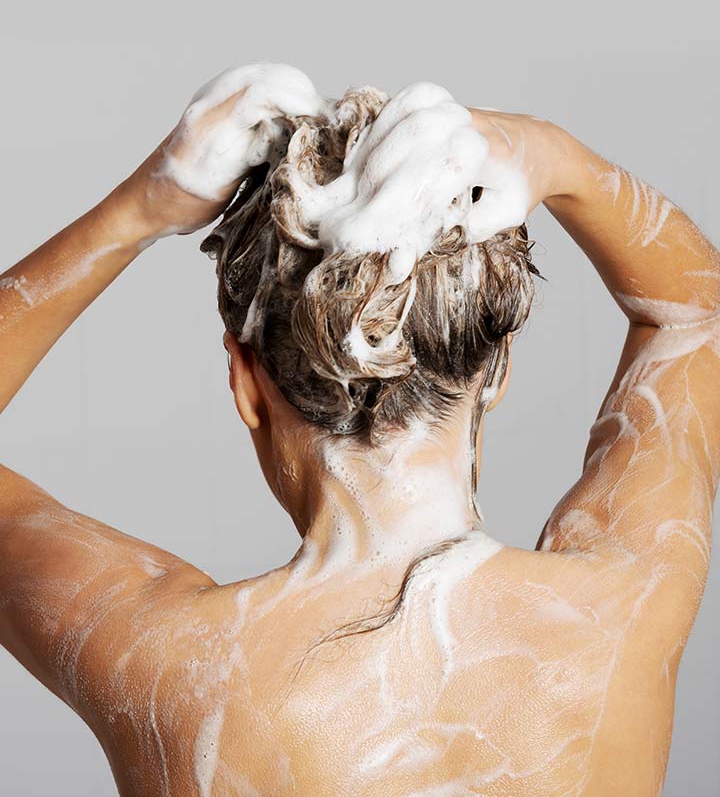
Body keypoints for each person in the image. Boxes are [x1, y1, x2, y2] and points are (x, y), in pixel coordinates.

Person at [0, 63, 717, 797]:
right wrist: (551, 155)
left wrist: (141, 209)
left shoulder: (170, 669)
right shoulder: (623, 611)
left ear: (245, 383)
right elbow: (697, 313)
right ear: (496, 367)